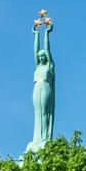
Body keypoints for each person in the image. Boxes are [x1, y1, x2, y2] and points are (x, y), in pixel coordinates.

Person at [26, 20, 55, 155]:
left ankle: (44, 137)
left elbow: (47, 49)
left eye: (43, 56)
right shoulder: (38, 67)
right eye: (40, 56)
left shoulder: (50, 67)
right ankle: (37, 138)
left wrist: (46, 34)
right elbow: (35, 51)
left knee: (44, 112)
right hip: (36, 87)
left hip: (45, 87)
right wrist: (35, 35)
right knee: (37, 113)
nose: (41, 57)